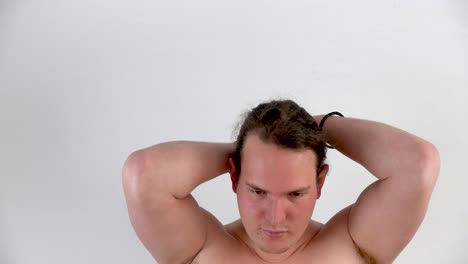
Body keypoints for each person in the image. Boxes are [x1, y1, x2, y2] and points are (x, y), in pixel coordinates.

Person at [122, 99, 440, 264]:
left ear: (320, 183)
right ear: (234, 176)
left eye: (296, 193)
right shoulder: (200, 247)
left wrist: (316, 127)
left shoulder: (354, 244)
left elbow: (418, 164)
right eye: (258, 191)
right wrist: (245, 149)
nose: (275, 217)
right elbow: (144, 173)